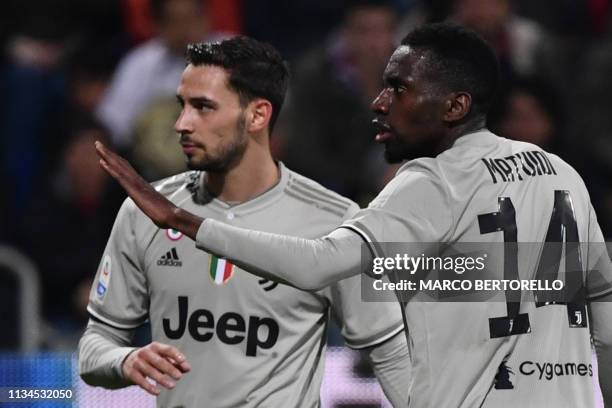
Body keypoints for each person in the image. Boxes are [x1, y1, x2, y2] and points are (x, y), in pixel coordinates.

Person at [95, 23, 612, 407]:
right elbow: (602, 301)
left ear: (454, 107)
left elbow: (321, 262)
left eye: (400, 89)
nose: (380, 102)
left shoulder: (431, 181)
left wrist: (187, 223)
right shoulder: (560, 172)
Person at [79, 36, 410, 407]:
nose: (181, 124)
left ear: (257, 115)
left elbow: (390, 354)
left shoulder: (336, 221)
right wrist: (123, 360)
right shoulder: (145, 210)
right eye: (182, 105)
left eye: (203, 107)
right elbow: (95, 347)